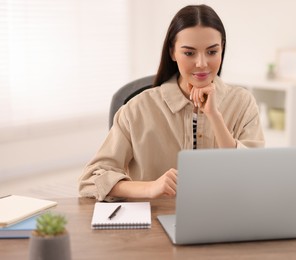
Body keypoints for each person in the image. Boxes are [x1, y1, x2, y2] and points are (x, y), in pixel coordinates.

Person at [78, 4, 265, 201]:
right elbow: (90, 180)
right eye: (189, 53)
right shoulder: (137, 108)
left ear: (222, 50)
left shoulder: (243, 103)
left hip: (226, 218)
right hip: (154, 221)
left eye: (211, 52)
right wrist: (150, 188)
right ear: (172, 52)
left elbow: (253, 175)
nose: (201, 63)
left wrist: (214, 116)